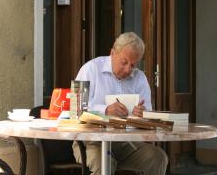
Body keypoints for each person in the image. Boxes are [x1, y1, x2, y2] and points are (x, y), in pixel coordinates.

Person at [72, 32, 168, 175]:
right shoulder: (90, 68)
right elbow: (75, 109)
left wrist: (142, 114)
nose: (128, 70)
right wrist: (105, 110)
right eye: (124, 62)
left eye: (133, 65)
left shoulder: (140, 77)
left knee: (158, 157)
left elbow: (149, 115)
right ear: (112, 53)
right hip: (91, 142)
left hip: (126, 142)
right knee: (105, 163)